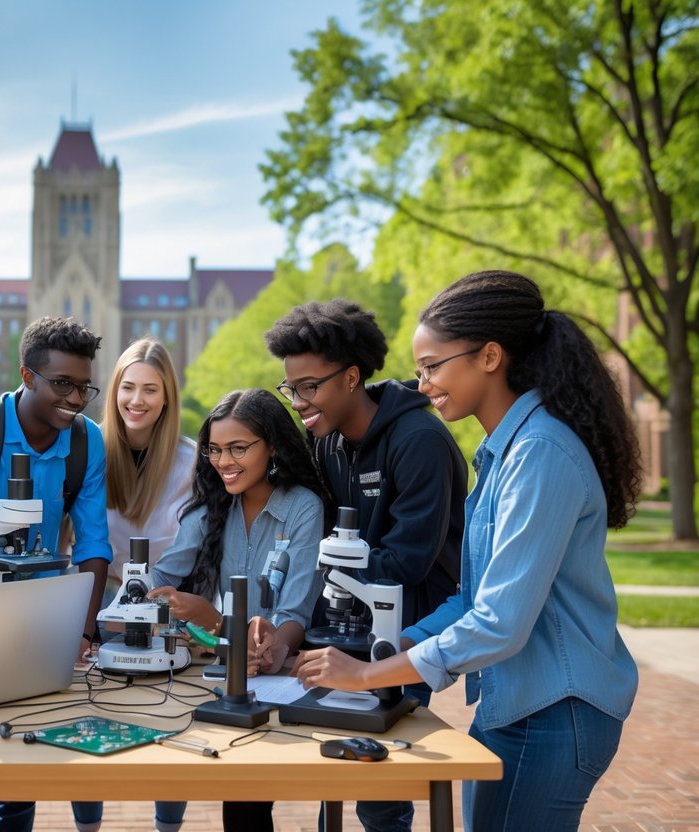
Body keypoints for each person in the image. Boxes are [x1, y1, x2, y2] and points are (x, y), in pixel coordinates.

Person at [294, 270, 641, 832]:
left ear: (489, 357)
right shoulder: (503, 453)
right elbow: (472, 600)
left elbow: (500, 623)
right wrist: (385, 656)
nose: (422, 383)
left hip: (556, 712)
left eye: (433, 366)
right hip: (516, 707)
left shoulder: (540, 454)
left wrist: (363, 679)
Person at [251, 298, 466, 832]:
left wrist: (342, 572)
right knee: (332, 781)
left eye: (309, 387)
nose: (299, 402)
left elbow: (408, 564)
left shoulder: (419, 441)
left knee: (376, 794)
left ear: (350, 378)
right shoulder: (327, 443)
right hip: (345, 632)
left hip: (405, 635)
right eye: (291, 388)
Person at [0, 315, 112, 832]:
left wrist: (82, 628)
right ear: (27, 375)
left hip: (40, 619)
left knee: (35, 751)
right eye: (62, 384)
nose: (76, 399)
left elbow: (94, 540)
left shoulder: (86, 442)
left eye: (84, 386)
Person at [146, 388, 326, 832]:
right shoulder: (210, 506)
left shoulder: (303, 507)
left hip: (273, 686)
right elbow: (159, 579)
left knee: (246, 804)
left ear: (273, 447)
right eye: (214, 449)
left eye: (238, 448)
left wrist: (269, 646)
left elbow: (295, 614)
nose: (223, 461)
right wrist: (147, 601)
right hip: (210, 677)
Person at [71, 338, 196, 832]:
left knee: (170, 718)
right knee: (90, 715)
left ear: (167, 396)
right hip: (97, 599)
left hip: (164, 604)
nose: (137, 401)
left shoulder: (190, 461)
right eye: (128, 387)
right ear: (114, 390)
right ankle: (87, 825)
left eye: (150, 389)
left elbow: (192, 544)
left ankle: (168, 824)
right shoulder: (88, 451)